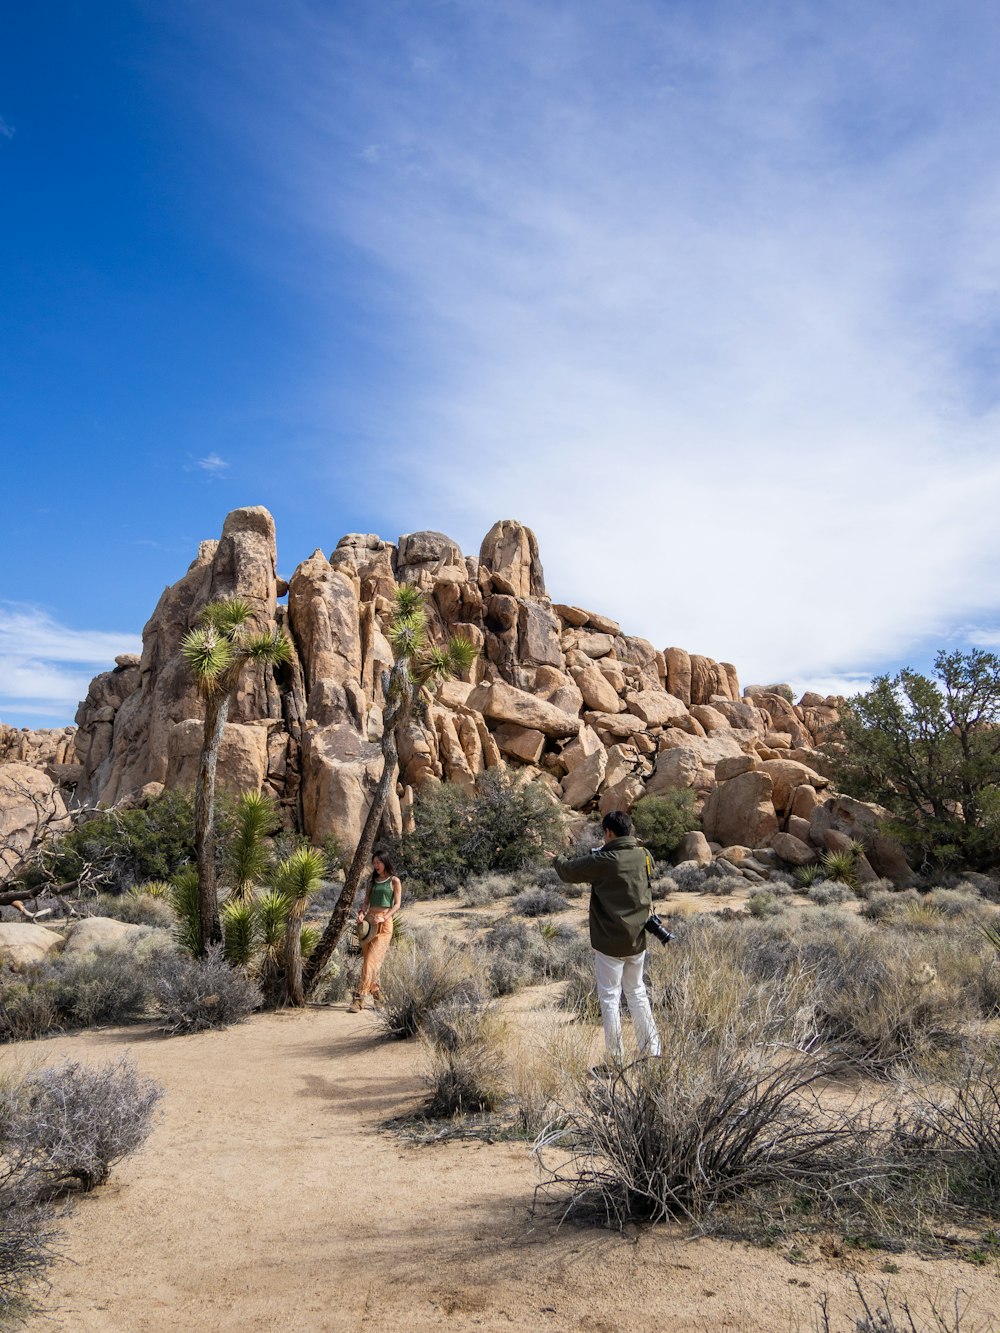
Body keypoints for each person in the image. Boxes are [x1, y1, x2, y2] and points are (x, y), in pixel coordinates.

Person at [549, 810, 662, 1064]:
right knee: (637, 992)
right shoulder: (644, 855)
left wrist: (556, 859)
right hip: (637, 940)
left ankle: (616, 1057)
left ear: (609, 832)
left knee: (610, 998)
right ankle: (652, 1049)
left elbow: (568, 872)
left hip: (610, 942)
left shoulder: (604, 859)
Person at [348, 849, 402, 1013]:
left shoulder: (394, 881)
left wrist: (384, 918)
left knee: (371, 960)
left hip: (384, 924)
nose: (376, 865)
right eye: (374, 863)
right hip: (369, 923)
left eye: (378, 862)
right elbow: (365, 902)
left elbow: (397, 904)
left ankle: (359, 998)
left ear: (385, 862)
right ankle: (378, 995)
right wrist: (362, 913)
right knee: (371, 963)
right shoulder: (371, 882)